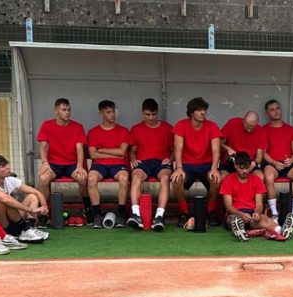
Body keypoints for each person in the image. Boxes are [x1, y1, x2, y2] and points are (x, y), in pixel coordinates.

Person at [35, 98, 90, 224]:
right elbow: (43, 147)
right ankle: (44, 212)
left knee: (83, 178)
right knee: (43, 179)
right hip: (54, 164)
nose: (67, 113)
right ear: (56, 111)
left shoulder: (77, 127)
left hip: (72, 164)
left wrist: (80, 166)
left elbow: (79, 149)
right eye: (64, 110)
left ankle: (87, 208)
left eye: (69, 110)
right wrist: (45, 162)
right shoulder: (47, 125)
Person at [171, 97, 223, 228]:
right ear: (191, 112)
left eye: (204, 110)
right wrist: (178, 167)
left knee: (216, 180)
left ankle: (210, 212)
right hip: (187, 164)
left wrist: (214, 168)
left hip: (207, 164)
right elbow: (178, 148)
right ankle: (184, 213)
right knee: (177, 180)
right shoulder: (181, 124)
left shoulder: (212, 126)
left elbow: (216, 150)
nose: (203, 113)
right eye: (199, 110)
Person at [220, 152, 293, 242]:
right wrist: (241, 215)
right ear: (235, 166)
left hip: (251, 214)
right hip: (235, 213)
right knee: (234, 220)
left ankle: (282, 231)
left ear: (250, 166)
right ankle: (240, 230)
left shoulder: (256, 180)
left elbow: (259, 204)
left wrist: (257, 213)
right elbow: (228, 206)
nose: (245, 171)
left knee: (267, 221)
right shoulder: (227, 180)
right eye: (241, 168)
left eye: (247, 168)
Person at [0, 154, 50, 242]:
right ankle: (21, 231)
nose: (8, 167)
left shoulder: (9, 179)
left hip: (11, 219)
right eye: (3, 166)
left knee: (32, 197)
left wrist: (44, 207)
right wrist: (31, 210)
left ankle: (28, 229)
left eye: (7, 164)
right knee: (5, 201)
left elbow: (36, 192)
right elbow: (5, 199)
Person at [127, 98, 174, 231]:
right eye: (148, 114)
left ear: (157, 112)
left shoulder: (167, 128)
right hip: (144, 163)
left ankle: (159, 216)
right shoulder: (136, 129)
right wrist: (133, 160)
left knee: (165, 178)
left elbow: (175, 150)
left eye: (153, 114)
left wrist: (170, 160)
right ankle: (136, 214)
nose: (151, 117)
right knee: (136, 177)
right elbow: (132, 151)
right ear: (143, 113)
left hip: (161, 162)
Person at [86, 100, 131, 228]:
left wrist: (102, 149)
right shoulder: (93, 132)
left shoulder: (123, 131)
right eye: (108, 112)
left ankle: (121, 214)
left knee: (124, 178)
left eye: (113, 112)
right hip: (99, 165)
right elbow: (93, 155)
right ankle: (97, 214)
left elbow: (122, 152)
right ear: (101, 113)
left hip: (118, 164)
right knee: (91, 178)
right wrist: (113, 153)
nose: (112, 115)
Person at [261, 99, 293, 226]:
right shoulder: (263, 130)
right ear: (267, 113)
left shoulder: (290, 129)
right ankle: (275, 214)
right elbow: (263, 153)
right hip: (271, 163)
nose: (276, 112)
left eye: (278, 108)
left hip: (287, 163)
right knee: (268, 177)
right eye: (272, 110)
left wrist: (290, 160)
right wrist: (274, 162)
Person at [220, 111, 266, 179]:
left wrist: (253, 164)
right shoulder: (233, 123)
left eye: (252, 128)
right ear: (243, 120)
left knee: (260, 177)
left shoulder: (261, 131)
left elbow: (259, 156)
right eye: (247, 127)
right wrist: (228, 149)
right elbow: (217, 143)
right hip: (230, 161)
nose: (249, 130)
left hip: (249, 163)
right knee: (224, 177)